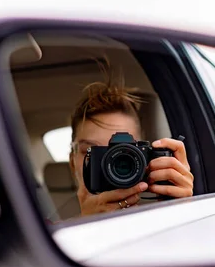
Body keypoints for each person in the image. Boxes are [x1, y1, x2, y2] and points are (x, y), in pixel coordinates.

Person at [69, 82, 193, 217]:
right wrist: (86, 221)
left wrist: (179, 211)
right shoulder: (45, 228)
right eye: (91, 150)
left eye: (125, 152)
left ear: (146, 158)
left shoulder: (161, 214)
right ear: (72, 162)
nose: (109, 161)